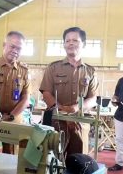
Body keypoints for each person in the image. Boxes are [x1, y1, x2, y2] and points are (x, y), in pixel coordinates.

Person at [39, 26, 99, 158]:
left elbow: (93, 98)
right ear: (64, 44)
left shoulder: (90, 71)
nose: (71, 43)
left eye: (75, 40)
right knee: (53, 159)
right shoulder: (53, 68)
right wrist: (62, 110)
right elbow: (46, 93)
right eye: (67, 41)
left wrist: (76, 108)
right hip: (56, 122)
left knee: (78, 162)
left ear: (83, 44)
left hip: (80, 124)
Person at [0, 31, 30, 154]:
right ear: (4, 45)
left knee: (10, 155)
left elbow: (25, 98)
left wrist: (11, 116)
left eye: (19, 48)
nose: (15, 50)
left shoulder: (24, 70)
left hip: (13, 118)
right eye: (12, 46)